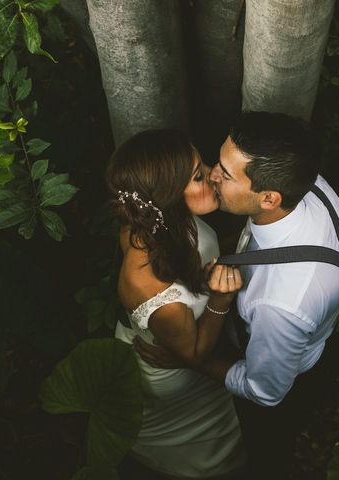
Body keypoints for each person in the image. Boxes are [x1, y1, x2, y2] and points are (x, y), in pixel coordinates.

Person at [136, 111, 339, 479]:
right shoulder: (311, 187)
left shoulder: (282, 304)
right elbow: (258, 240)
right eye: (218, 161)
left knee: (264, 457)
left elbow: (264, 391)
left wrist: (189, 359)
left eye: (226, 174)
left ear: (268, 198)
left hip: (275, 376)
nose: (212, 174)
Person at [107, 129, 247, 479]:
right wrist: (219, 299)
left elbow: (204, 249)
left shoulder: (163, 223)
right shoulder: (151, 287)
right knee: (206, 453)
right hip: (176, 375)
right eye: (199, 175)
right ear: (169, 197)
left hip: (185, 348)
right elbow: (196, 353)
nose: (215, 174)